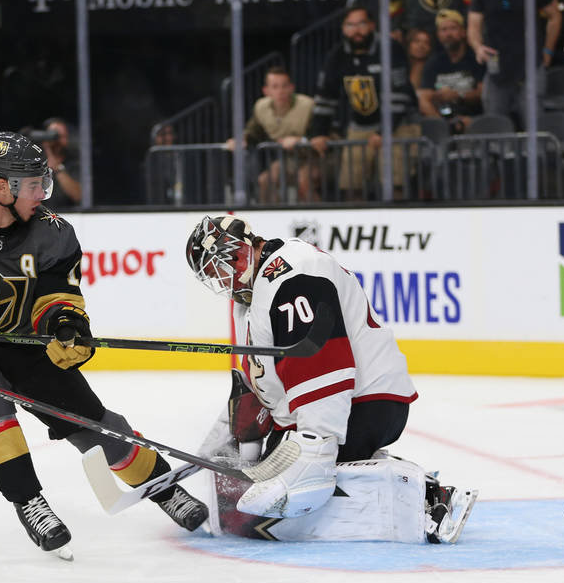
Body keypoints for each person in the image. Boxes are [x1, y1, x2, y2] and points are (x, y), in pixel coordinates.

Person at [0, 131, 208, 560]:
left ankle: (163, 488)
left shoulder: (53, 233)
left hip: (22, 345)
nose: (42, 192)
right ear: (1, 186)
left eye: (43, 181)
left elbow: (58, 298)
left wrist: (66, 325)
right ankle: (29, 501)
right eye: (32, 184)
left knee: (89, 420)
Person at [185, 214, 477, 544]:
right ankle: (407, 483)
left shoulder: (292, 273)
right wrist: (227, 447)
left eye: (218, 269)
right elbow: (257, 386)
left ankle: (426, 498)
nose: (219, 281)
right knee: (246, 506)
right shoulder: (252, 299)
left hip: (362, 401)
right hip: (331, 409)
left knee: (274, 507)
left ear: (238, 253)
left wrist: (315, 446)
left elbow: (322, 364)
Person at [306, 6, 421, 199]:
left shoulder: (390, 48)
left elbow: (400, 94)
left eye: (361, 24)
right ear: (343, 29)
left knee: (396, 184)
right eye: (350, 25)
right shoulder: (337, 55)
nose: (356, 30)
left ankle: (398, 224)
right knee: (350, 185)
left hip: (399, 124)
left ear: (372, 25)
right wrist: (318, 132)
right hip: (360, 124)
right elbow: (325, 97)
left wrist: (384, 131)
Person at [224, 65, 316, 204]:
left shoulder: (308, 105)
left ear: (292, 88)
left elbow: (323, 134)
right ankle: (274, 221)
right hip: (290, 160)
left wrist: (301, 140)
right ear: (266, 91)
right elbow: (253, 131)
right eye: (275, 87)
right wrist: (241, 139)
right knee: (265, 181)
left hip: (315, 157)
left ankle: (319, 221)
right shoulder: (261, 107)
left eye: (284, 86)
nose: (280, 91)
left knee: (303, 180)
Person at [468, 0, 562, 122]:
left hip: (530, 64)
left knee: (534, 122)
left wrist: (548, 51)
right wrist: (478, 47)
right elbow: (473, 26)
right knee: (495, 123)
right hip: (497, 66)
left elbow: (555, 16)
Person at [418, 9, 485, 134]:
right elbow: (424, 98)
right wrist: (444, 124)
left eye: (453, 28)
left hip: (475, 119)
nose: (448, 34)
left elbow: (484, 92)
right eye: (443, 30)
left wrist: (458, 95)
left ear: (463, 32)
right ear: (438, 35)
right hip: (443, 120)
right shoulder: (433, 63)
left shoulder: (476, 59)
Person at [37, 117, 82, 208]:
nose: (57, 140)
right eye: (53, 135)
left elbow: (78, 196)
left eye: (62, 136)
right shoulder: (34, 161)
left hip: (66, 215)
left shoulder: (74, 163)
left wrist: (57, 168)